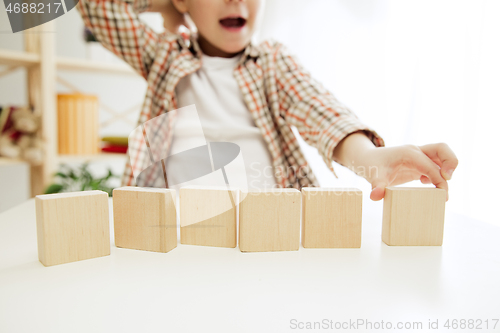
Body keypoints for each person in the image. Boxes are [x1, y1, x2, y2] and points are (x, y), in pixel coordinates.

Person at [76, 0, 458, 201]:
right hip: (173, 233)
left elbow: (321, 112)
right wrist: (167, 4)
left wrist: (372, 160)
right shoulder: (163, 54)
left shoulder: (273, 61)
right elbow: (96, 4)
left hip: (269, 229)